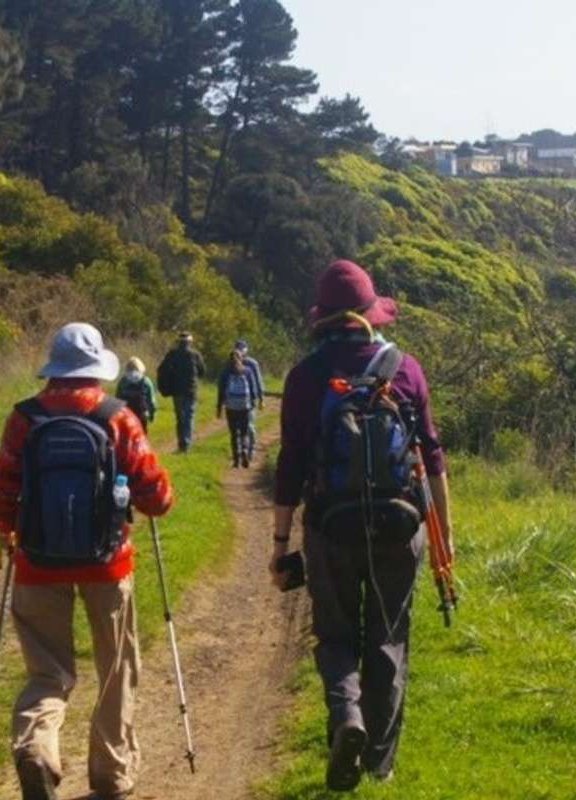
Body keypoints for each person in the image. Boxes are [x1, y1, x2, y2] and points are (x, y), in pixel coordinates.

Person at [268, 260, 452, 791]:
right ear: (371, 313)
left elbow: (292, 464)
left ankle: (346, 715)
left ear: (323, 319)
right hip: (401, 525)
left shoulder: (305, 378)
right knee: (389, 636)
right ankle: (379, 761)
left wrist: (281, 543)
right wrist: (443, 535)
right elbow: (433, 457)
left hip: (331, 526)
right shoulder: (407, 369)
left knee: (336, 632)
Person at [0, 322, 175, 800]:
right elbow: (156, 497)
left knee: (47, 672)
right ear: (96, 370)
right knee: (116, 669)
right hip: (107, 564)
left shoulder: (23, 418)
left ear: (54, 367)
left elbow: (0, 492)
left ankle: (35, 747)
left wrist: (7, 534)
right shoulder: (118, 416)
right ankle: (111, 775)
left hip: (36, 562)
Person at [155, 331, 207, 452]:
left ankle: (181, 441)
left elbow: (161, 369)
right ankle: (186, 442)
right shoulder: (195, 355)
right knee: (189, 416)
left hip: (177, 391)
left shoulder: (172, 354)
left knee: (180, 417)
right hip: (191, 390)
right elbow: (202, 371)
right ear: (190, 342)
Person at [214, 348, 260, 468]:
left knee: (234, 433)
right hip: (245, 406)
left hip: (231, 407)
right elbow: (253, 390)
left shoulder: (225, 372)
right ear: (242, 358)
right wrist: (252, 404)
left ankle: (236, 459)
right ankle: (245, 452)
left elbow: (221, 391)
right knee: (244, 432)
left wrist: (219, 407)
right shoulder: (248, 371)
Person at [113, 357, 158, 433]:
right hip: (142, 414)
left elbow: (117, 398)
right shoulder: (146, 381)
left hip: (126, 413)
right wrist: (152, 414)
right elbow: (151, 400)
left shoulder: (123, 381)